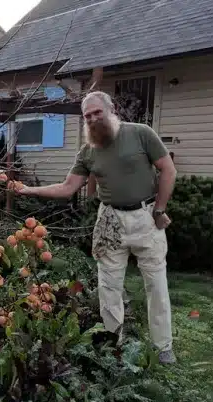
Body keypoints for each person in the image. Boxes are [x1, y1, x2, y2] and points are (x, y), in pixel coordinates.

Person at [15, 91, 178, 364]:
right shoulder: (88, 151)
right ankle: (114, 344)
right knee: (108, 285)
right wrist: (27, 189)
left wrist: (160, 209)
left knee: (156, 284)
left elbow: (168, 169)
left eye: (96, 112)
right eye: (87, 116)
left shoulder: (140, 133)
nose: (92, 119)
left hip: (146, 217)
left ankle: (164, 346)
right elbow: (68, 188)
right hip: (109, 222)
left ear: (111, 109)